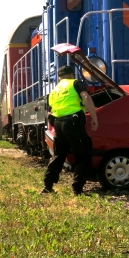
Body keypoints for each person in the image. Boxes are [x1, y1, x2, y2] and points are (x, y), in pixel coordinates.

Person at [41, 65, 98, 195]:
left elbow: (49, 111)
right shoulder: (75, 83)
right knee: (84, 154)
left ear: (60, 77)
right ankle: (77, 188)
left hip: (58, 124)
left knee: (58, 156)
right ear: (72, 75)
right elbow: (87, 97)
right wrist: (94, 118)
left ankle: (47, 186)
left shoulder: (54, 90)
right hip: (72, 124)